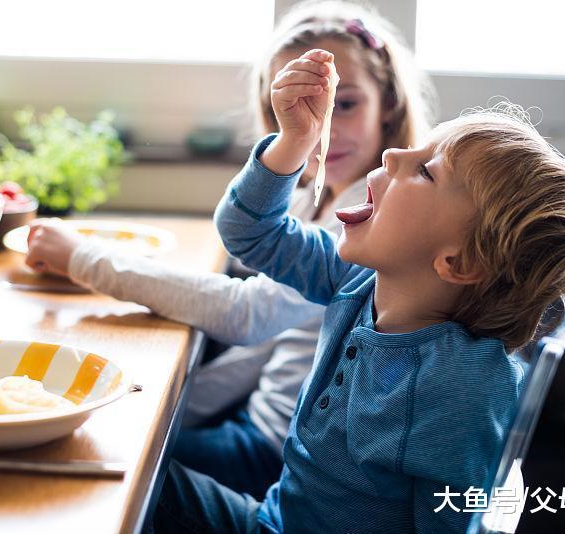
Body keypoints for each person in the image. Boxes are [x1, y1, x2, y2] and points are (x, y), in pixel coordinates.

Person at [151, 47, 565, 533]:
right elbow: (251, 234)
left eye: (426, 170)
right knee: (138, 473)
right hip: (274, 520)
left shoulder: (461, 388)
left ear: (458, 262)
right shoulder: (358, 280)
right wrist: (294, 141)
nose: (392, 154)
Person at [25, 0, 434, 499]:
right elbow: (260, 349)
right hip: (256, 422)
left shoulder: (372, 227)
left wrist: (85, 259)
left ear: (388, 102)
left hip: (279, 452)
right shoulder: (312, 197)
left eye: (344, 104)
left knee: (92, 463)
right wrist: (167, 408)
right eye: (297, 108)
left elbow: (247, 316)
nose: (324, 127)